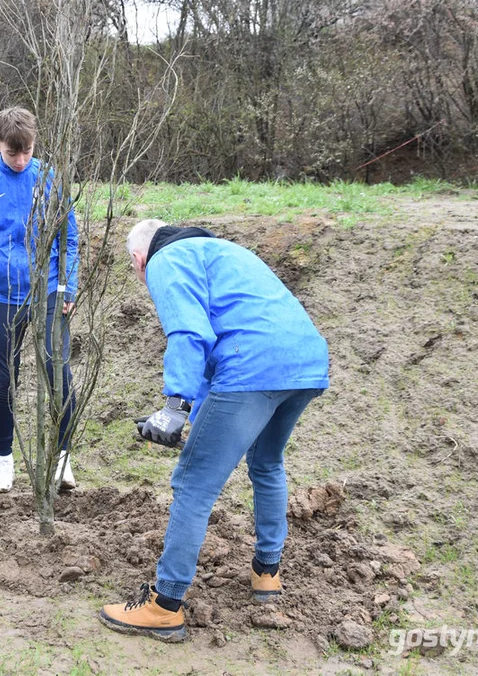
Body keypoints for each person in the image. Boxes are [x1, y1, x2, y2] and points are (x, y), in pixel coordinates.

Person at [99, 219, 330, 642]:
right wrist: (192, 416)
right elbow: (213, 358)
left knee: (193, 484)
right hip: (305, 362)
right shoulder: (220, 251)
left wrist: (175, 406)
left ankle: (164, 606)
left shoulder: (165, 260)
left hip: (253, 366)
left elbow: (190, 333)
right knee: (266, 463)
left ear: (138, 259)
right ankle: (267, 574)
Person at [0, 107, 79, 493]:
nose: (21, 159)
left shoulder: (51, 180)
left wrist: (68, 286)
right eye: (13, 153)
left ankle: (62, 461)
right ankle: (4, 463)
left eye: (27, 150)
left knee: (59, 375)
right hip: (3, 298)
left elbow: (69, 237)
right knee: (5, 380)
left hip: (48, 293)